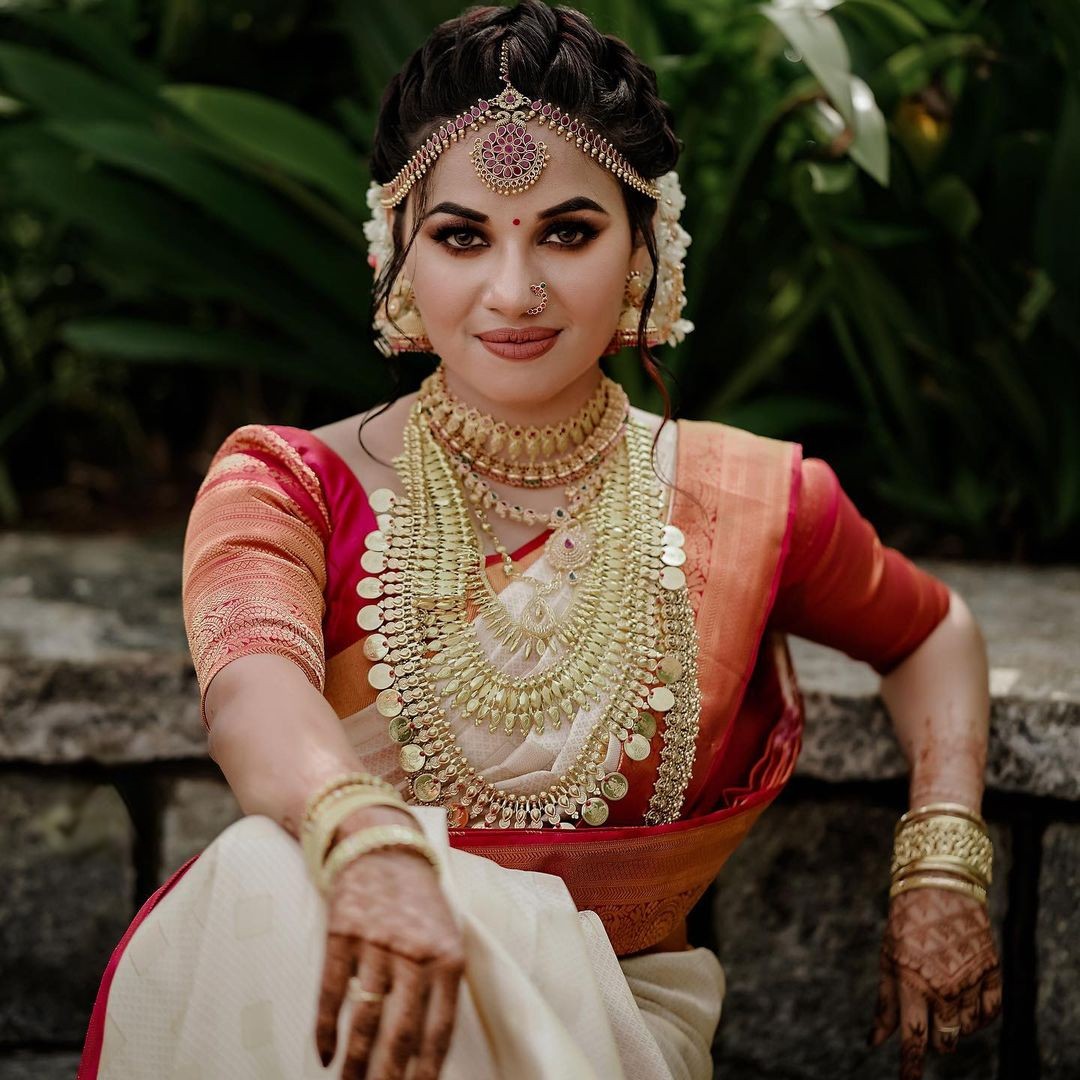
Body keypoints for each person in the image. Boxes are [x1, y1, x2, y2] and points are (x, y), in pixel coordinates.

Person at [77, 3, 1002, 1078]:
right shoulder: (289, 486)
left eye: (568, 232)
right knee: (270, 876)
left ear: (646, 246)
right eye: (462, 236)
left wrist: (942, 863)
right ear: (397, 258)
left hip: (608, 1013)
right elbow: (251, 695)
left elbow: (932, 636)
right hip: (343, 969)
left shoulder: (752, 498)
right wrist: (370, 846)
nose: (515, 292)